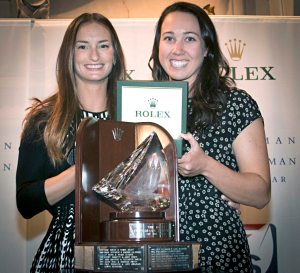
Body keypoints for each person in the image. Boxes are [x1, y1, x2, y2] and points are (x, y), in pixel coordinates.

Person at [148, 2, 271, 272]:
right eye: (169, 38)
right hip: (155, 251)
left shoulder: (235, 104)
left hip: (217, 250)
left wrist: (206, 166)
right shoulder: (144, 107)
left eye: (189, 39)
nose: (177, 49)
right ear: (158, 48)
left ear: (206, 49)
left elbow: (260, 193)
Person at [16, 13, 126, 272]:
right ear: (69, 54)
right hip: (66, 252)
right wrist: (82, 170)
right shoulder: (45, 119)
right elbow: (26, 202)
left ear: (115, 54)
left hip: (127, 246)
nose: (94, 56)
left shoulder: (133, 115)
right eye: (83, 46)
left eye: (103, 45)